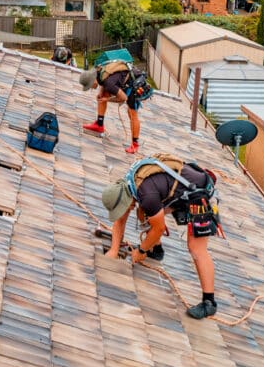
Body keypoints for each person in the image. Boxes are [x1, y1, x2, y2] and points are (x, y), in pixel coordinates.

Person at [100, 161, 219, 319]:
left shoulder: (146, 194)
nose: (126, 210)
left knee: (196, 249)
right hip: (180, 190)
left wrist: (141, 251)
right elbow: (120, 220)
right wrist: (114, 250)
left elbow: (159, 228)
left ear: (125, 199)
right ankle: (156, 250)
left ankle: (209, 303)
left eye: (124, 207)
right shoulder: (129, 183)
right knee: (144, 212)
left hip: (199, 194)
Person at [79, 62, 141, 154]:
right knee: (103, 94)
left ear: (93, 80)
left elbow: (123, 98)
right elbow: (104, 81)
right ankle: (99, 125)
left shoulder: (109, 84)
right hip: (122, 77)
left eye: (90, 86)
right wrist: (101, 93)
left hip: (135, 83)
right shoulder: (98, 72)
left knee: (132, 113)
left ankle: (135, 145)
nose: (91, 88)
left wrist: (106, 100)